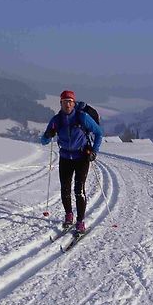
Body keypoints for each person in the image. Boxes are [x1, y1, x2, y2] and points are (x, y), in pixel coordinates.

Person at [41, 90, 103, 234]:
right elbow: (43, 141)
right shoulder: (56, 120)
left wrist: (94, 151)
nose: (67, 104)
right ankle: (69, 215)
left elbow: (99, 132)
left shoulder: (82, 117)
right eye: (65, 101)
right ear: (61, 103)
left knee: (79, 191)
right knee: (65, 189)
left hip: (82, 157)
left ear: (74, 103)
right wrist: (47, 134)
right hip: (65, 158)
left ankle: (80, 222)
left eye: (70, 101)